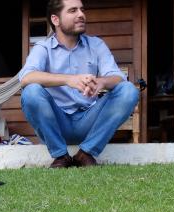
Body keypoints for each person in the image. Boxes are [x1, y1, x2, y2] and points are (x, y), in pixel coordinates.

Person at [19, 0, 139, 168]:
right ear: (56, 19)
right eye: (73, 10)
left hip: (89, 120)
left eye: (82, 10)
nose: (81, 15)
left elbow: (117, 77)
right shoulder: (43, 47)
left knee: (129, 91)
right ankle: (61, 156)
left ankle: (86, 153)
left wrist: (101, 82)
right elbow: (26, 77)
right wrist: (69, 79)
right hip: (57, 122)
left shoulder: (96, 44)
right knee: (30, 92)